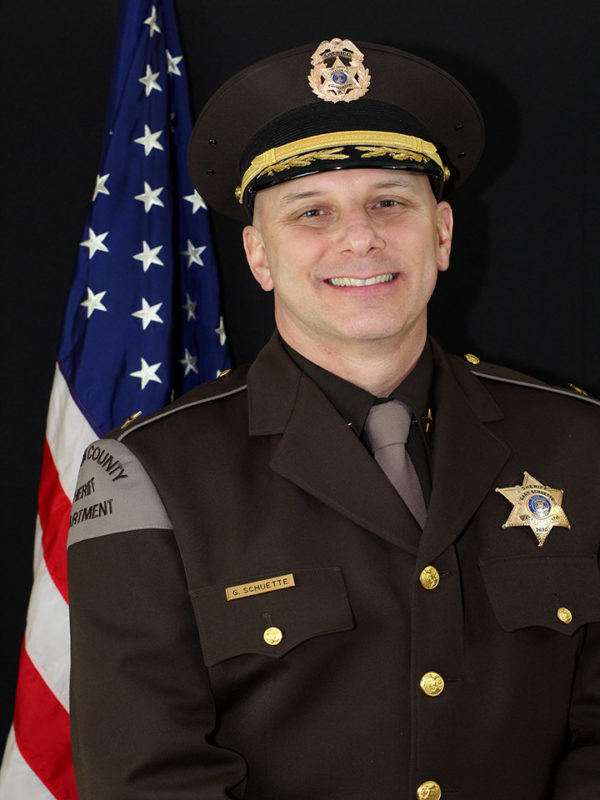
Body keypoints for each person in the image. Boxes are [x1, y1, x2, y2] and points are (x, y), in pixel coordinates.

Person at [67, 38, 600, 800]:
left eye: (390, 202)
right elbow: (149, 778)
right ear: (259, 256)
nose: (359, 237)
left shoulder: (580, 443)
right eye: (312, 211)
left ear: (442, 233)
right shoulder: (153, 474)